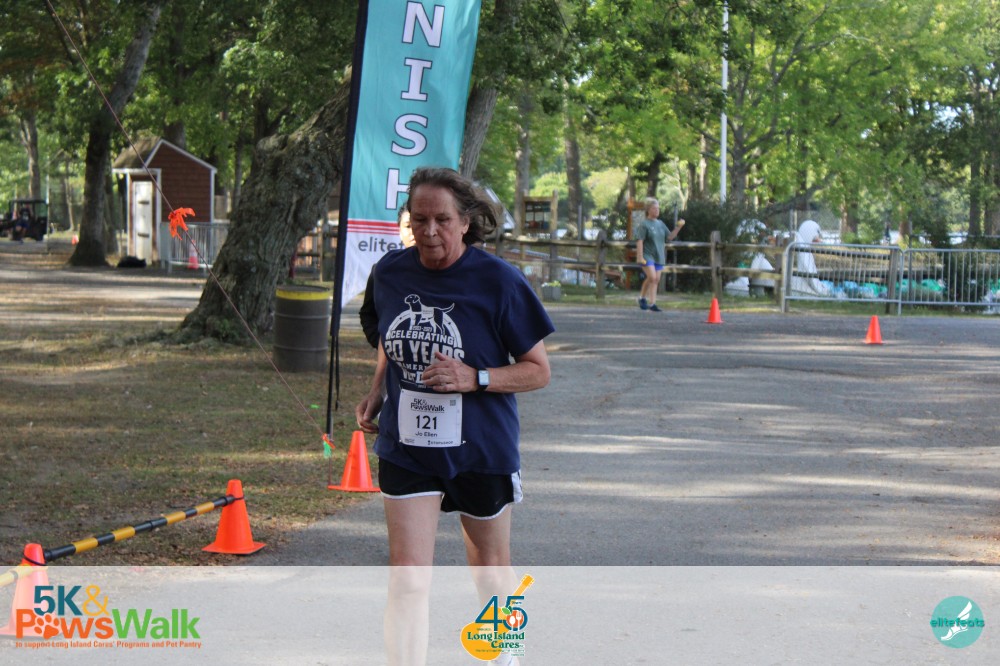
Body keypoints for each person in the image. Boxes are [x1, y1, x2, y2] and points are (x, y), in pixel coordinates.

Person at [354, 167, 554, 666]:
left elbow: (538, 371)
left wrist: (475, 377)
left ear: (465, 222)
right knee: (407, 578)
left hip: (480, 448)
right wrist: (377, 389)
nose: (429, 231)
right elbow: (390, 336)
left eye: (442, 220)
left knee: (491, 572)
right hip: (408, 445)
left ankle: (505, 656)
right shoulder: (391, 273)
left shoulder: (499, 281)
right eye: (418, 219)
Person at [359, 210, 415, 348]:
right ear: (399, 231)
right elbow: (368, 314)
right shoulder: (383, 269)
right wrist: (383, 345)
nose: (413, 231)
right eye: (408, 226)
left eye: (419, 223)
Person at [634, 197, 684, 311]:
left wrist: (679, 227)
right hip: (647, 254)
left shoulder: (660, 223)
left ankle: (652, 304)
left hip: (659, 255)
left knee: (655, 279)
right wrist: (640, 256)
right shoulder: (644, 224)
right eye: (654, 208)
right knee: (652, 277)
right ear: (648, 210)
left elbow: (670, 237)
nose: (657, 210)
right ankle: (642, 297)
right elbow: (640, 240)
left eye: (658, 208)